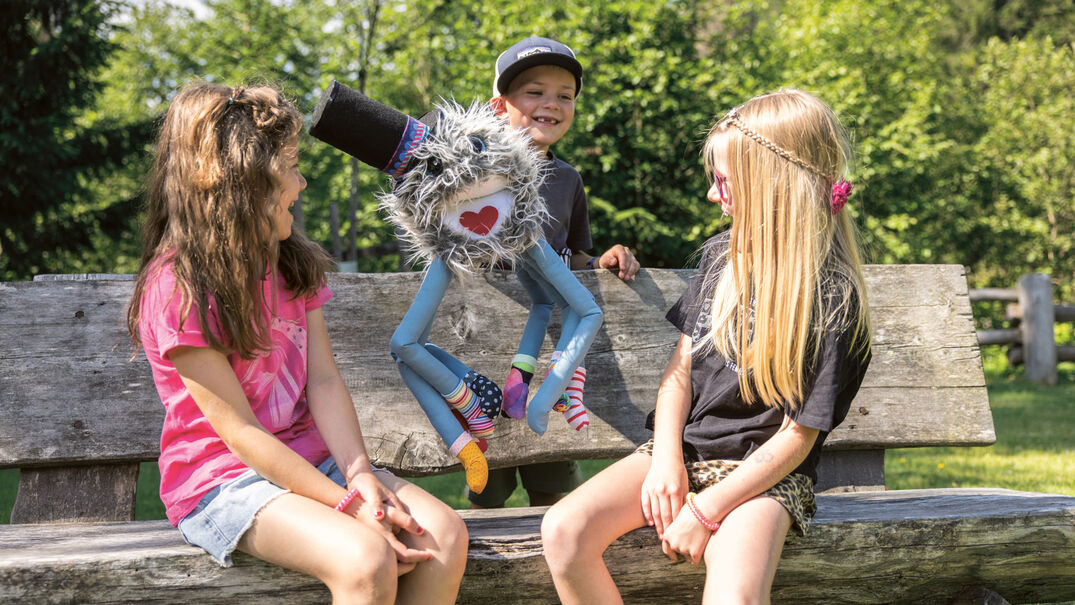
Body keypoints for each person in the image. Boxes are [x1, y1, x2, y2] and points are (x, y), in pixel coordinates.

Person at [126, 81, 467, 604]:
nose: (302, 181)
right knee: (365, 558)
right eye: (289, 166)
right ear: (243, 181)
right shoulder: (178, 288)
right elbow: (239, 432)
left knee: (444, 535)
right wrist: (350, 507)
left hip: (313, 463)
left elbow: (324, 380)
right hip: (223, 480)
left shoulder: (286, 263)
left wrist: (359, 477)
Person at [540, 88, 872, 604]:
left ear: (770, 184)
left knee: (734, 596)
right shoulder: (723, 258)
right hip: (685, 451)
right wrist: (666, 458)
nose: (713, 196)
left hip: (766, 477)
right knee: (564, 530)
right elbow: (679, 374)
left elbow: (795, 440)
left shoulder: (833, 297)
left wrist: (704, 509)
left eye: (723, 181)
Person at [469, 36, 641, 509]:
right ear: (499, 106)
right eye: (535, 92)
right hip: (487, 351)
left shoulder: (568, 180)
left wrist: (602, 260)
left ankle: (550, 563)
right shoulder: (476, 175)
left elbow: (575, 254)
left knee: (552, 485)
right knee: (488, 487)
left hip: (550, 359)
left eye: (565, 95)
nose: (551, 104)